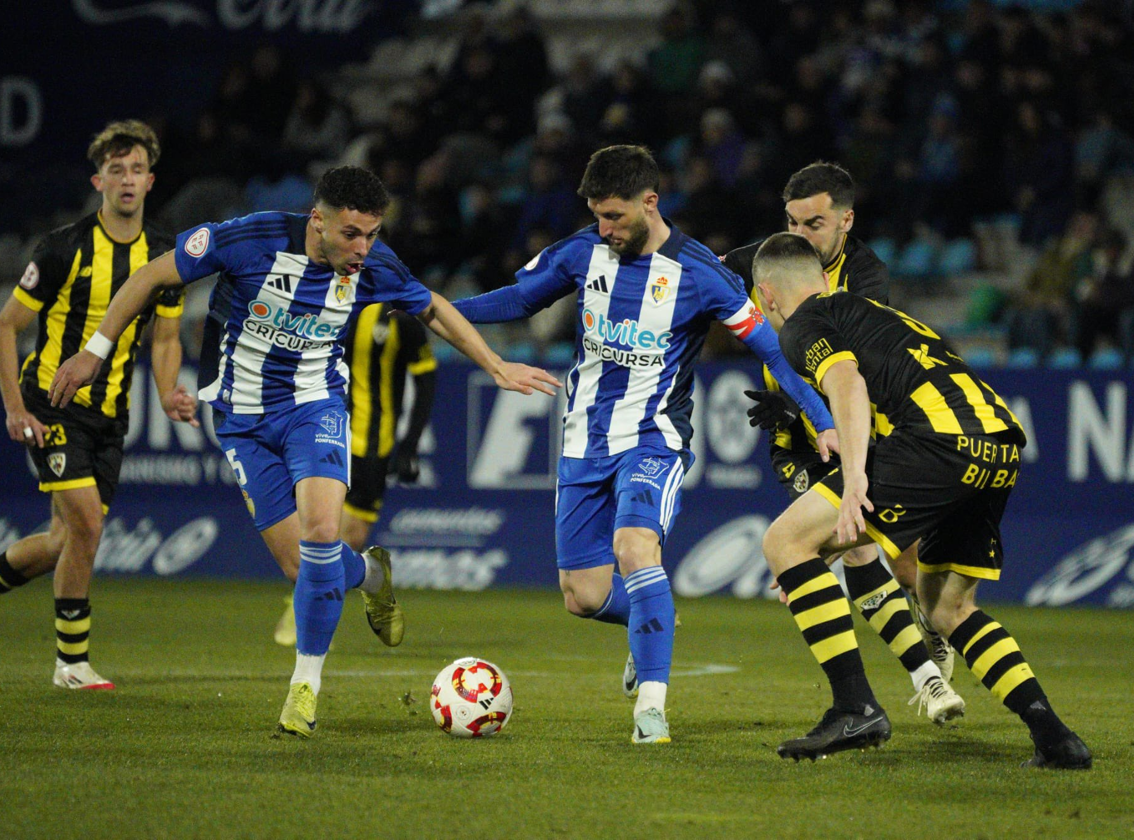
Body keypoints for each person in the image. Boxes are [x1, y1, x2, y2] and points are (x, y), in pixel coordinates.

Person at [49, 166, 559, 737]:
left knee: (320, 535)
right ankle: (369, 575)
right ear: (317, 221)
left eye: (372, 233)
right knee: (300, 567)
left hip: (316, 407)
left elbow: (432, 306)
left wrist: (495, 365)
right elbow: (149, 276)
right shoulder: (248, 239)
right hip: (241, 422)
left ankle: (304, 689)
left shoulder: (374, 266)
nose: (363, 248)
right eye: (351, 234)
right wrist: (95, 350)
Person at [453, 145, 836, 744]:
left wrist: (823, 420)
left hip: (654, 441)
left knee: (636, 548)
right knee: (583, 597)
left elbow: (774, 354)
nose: (604, 229)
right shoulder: (583, 250)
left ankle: (651, 710)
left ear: (650, 202)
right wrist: (434, 310)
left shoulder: (702, 273)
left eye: (614, 217)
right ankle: (654, 620)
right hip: (583, 442)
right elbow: (517, 299)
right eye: (598, 216)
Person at [753, 232, 1091, 769]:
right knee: (945, 607)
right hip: (998, 444)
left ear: (766, 295)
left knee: (783, 540)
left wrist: (855, 478)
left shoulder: (802, 326)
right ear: (822, 277)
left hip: (939, 441)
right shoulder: (871, 313)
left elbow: (846, 384)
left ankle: (854, 706)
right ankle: (1056, 738)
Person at [0, 120, 198, 689]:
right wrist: (13, 408)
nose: (126, 180)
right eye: (115, 170)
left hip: (110, 414)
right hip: (52, 402)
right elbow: (4, 329)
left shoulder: (164, 254)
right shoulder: (63, 248)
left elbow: (166, 338)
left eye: (136, 170)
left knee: (65, 540)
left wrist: (165, 391)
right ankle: (71, 664)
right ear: (97, 179)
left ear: (151, 181)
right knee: (87, 523)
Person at [723, 162, 962, 724]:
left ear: (846, 221)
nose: (800, 236)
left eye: (815, 223)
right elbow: (697, 277)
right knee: (856, 545)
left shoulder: (869, 279)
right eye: (791, 221)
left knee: (905, 569)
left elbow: (854, 367)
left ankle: (925, 627)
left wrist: (804, 396)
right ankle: (926, 682)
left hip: (857, 430)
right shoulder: (771, 256)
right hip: (798, 439)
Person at [273, 302, 437, 647]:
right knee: (317, 526)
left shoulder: (401, 316)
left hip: (374, 443)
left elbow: (426, 378)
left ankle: (312, 603)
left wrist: (409, 443)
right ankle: (302, 607)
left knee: (352, 536)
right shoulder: (329, 303)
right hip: (321, 431)